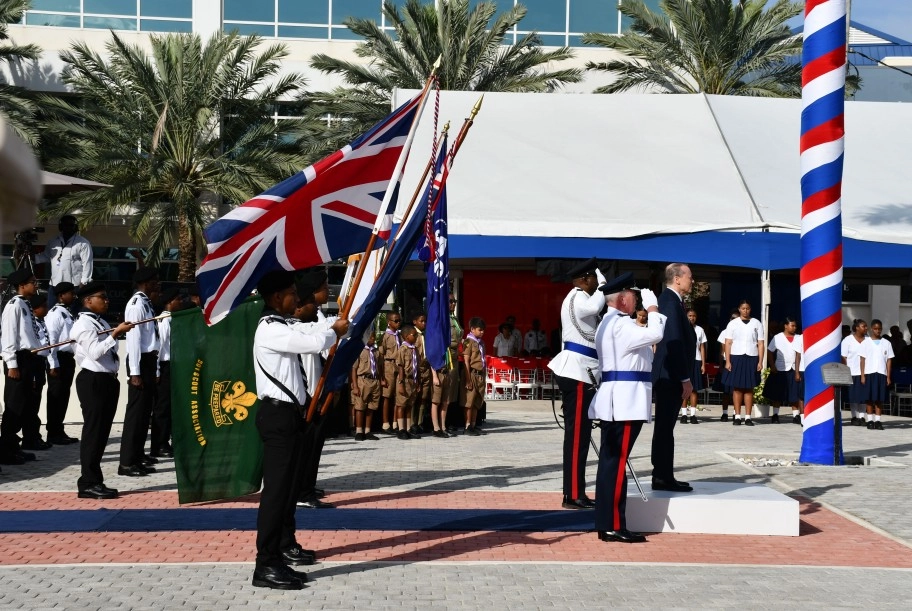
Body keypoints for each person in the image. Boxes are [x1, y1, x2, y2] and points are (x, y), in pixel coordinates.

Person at [252, 270, 348, 590]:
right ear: (277, 297)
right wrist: (335, 331)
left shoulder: (281, 325)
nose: (297, 299)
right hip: (277, 417)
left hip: (289, 416)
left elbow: (311, 328)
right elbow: (312, 341)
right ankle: (265, 564)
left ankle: (279, 552)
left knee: (287, 491)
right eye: (292, 293)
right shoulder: (269, 329)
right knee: (276, 495)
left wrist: (336, 323)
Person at [590, 276, 663, 544]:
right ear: (621, 299)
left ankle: (607, 522)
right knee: (616, 464)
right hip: (625, 401)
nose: (637, 300)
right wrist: (654, 309)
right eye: (633, 295)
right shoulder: (620, 325)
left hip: (619, 400)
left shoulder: (610, 323)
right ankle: (612, 525)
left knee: (611, 463)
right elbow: (656, 334)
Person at [548, 257, 606, 509]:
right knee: (576, 437)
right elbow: (594, 308)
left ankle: (575, 492)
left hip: (583, 371)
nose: (596, 283)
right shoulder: (577, 298)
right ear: (584, 279)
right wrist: (604, 286)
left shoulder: (577, 297)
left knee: (580, 436)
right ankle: (572, 494)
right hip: (578, 372)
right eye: (593, 278)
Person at [71, 282, 134, 499]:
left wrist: (112, 333)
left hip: (107, 379)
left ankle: (95, 480)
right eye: (102, 297)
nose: (106, 301)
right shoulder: (83, 324)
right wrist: (115, 334)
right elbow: (95, 353)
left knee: (101, 433)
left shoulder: (100, 321)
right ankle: (87, 482)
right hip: (93, 381)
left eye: (106, 297)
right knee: (93, 432)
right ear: (88, 301)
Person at [650, 263, 696, 492]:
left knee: (666, 428)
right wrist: (684, 378)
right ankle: (661, 476)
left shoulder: (673, 300)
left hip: (670, 375)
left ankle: (664, 474)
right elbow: (673, 343)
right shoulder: (669, 301)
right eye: (690, 277)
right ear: (677, 279)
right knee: (665, 428)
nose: (693, 281)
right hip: (669, 376)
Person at [119, 267, 161, 477]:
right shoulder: (136, 305)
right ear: (146, 282)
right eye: (155, 280)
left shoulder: (146, 303)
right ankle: (126, 462)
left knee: (145, 414)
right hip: (140, 362)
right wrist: (134, 372)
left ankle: (137, 456)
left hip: (148, 361)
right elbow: (133, 340)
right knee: (136, 414)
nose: (158, 284)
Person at [0, 269, 44, 464]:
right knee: (14, 406)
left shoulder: (25, 304)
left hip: (29, 359)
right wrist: (12, 364)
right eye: (33, 282)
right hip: (18, 360)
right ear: (22, 285)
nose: (36, 285)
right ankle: (5, 451)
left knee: (25, 405)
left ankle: (14, 447)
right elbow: (9, 336)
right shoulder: (13, 305)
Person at [43, 281, 80, 445]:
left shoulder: (67, 312)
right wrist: (53, 363)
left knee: (63, 395)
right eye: (70, 293)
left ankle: (59, 429)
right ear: (60, 296)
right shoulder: (55, 314)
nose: (73, 296)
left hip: (67, 359)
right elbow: (50, 340)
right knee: (56, 396)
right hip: (58, 359)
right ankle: (53, 432)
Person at [151, 287, 184, 458]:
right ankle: (159, 444)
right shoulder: (163, 321)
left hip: (173, 366)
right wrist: (156, 371)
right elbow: (159, 347)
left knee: (170, 407)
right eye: (178, 299)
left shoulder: (173, 319)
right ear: (170, 302)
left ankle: (167, 441)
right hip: (164, 367)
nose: (180, 302)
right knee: (162, 408)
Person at [34, 215, 93, 305]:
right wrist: (32, 257)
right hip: (55, 284)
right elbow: (46, 256)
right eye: (66, 225)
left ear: (75, 227)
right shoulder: (53, 241)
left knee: (71, 314)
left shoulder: (83, 243)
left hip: (74, 286)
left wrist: (83, 283)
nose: (68, 227)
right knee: (52, 311)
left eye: (71, 225)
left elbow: (87, 263)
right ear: (61, 227)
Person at [724, 300, 764, 426]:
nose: (745, 311)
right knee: (737, 388)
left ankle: (747, 417)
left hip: (752, 356)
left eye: (747, 308)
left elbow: (761, 343)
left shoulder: (756, 323)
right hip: (736, 357)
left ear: (750, 309)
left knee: (749, 388)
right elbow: (728, 342)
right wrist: (728, 360)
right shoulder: (733, 324)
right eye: (743, 308)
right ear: (739, 309)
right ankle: (737, 416)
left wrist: (760, 361)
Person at [24, 294, 51, 451]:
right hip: (33, 363)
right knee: (31, 404)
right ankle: (31, 437)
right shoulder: (32, 323)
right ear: (35, 309)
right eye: (44, 306)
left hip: (40, 363)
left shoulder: (41, 322)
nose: (46, 309)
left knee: (35, 403)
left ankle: (34, 436)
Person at [766, 316, 801, 424]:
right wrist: (772, 366)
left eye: (795, 326)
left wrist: (798, 371)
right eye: (792, 325)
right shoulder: (778, 337)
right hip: (780, 369)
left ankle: (796, 415)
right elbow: (770, 352)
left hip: (794, 368)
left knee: (794, 393)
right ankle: (775, 415)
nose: (794, 328)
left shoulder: (799, 337)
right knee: (778, 394)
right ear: (786, 326)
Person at [350, 332, 381, 441]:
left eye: (374, 337)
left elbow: (379, 367)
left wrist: (381, 380)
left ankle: (367, 430)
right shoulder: (359, 351)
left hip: (374, 380)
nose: (373, 339)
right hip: (362, 379)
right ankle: (359, 431)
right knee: (360, 406)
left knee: (371, 406)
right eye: (371, 337)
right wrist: (355, 386)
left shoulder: (376, 352)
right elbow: (354, 368)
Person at [863, 319, 893, 430]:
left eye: (879, 329)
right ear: (871, 329)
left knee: (879, 398)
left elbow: (889, 360)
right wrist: (862, 375)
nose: (877, 331)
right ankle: (870, 420)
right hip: (869, 372)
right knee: (869, 398)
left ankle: (878, 421)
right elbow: (862, 359)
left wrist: (888, 376)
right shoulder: (866, 342)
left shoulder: (886, 343)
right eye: (875, 329)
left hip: (881, 373)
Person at [841, 319, 871, 426]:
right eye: (864, 326)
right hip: (851, 372)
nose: (866, 328)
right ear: (857, 328)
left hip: (865, 372)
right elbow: (843, 357)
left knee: (863, 396)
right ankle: (854, 417)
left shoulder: (868, 340)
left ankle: (862, 417)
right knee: (853, 396)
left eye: (866, 326)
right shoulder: (847, 340)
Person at [461, 317, 487, 436]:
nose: (482, 332)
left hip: (480, 375)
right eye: (479, 330)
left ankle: (473, 424)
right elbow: (466, 360)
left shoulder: (480, 343)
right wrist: (468, 379)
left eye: (483, 330)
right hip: (471, 373)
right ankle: (467, 426)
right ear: (472, 329)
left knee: (477, 401)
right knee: (469, 402)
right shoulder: (468, 342)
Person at [680, 308, 706, 424]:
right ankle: (684, 414)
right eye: (690, 315)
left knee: (694, 389)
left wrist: (703, 364)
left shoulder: (700, 330)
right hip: (685, 360)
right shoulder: (681, 329)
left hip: (696, 360)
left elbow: (702, 347)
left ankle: (693, 415)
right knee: (684, 389)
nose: (692, 318)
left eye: (694, 316)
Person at [395, 324, 422, 440]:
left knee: (409, 405)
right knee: (402, 405)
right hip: (404, 380)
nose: (416, 336)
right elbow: (400, 366)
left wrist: (418, 382)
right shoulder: (402, 349)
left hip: (413, 380)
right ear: (406, 336)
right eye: (414, 335)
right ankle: (401, 429)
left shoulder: (415, 349)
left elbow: (417, 366)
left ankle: (407, 428)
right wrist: (401, 383)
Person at [378, 312, 402, 434]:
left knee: (397, 395)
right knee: (387, 396)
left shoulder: (400, 335)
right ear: (389, 322)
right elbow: (380, 356)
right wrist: (382, 376)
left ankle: (395, 423)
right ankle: (385, 424)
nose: (398, 323)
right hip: (389, 365)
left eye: (399, 321)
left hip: (399, 365)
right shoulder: (385, 336)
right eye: (395, 321)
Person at [412, 312, 432, 434]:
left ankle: (420, 423)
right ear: (415, 322)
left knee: (424, 397)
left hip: (426, 368)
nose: (424, 323)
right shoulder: (412, 335)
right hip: (416, 369)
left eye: (425, 321)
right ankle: (412, 423)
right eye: (421, 321)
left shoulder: (426, 335)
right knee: (415, 397)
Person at [446, 296, 463, 433]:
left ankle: (452, 420)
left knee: (454, 390)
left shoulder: (455, 319)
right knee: (448, 389)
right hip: (448, 356)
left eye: (454, 302)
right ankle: (445, 422)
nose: (453, 304)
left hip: (456, 355)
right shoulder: (443, 318)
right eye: (450, 302)